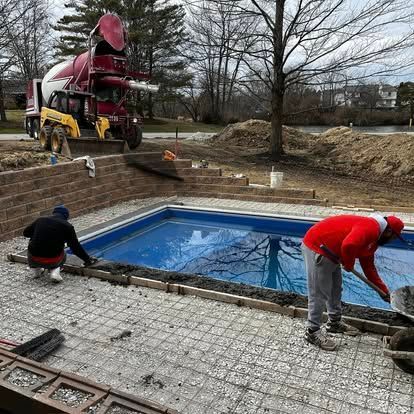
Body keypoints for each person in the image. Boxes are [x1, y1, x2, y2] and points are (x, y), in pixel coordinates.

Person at [302, 214, 404, 351]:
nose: (392, 240)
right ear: (389, 231)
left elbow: (369, 268)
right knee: (319, 292)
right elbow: (349, 244)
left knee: (335, 289)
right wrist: (349, 263)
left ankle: (334, 323)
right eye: (394, 237)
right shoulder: (371, 228)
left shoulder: (374, 240)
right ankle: (312, 331)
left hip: (333, 252)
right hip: (318, 246)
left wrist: (384, 292)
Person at [23, 205, 97, 283]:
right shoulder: (68, 226)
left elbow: (25, 233)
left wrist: (39, 234)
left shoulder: (40, 220)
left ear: (53, 213)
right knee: (63, 251)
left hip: (33, 258)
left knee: (31, 245)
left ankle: (36, 271)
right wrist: (87, 260)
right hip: (52, 260)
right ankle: (55, 271)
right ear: (66, 216)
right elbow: (75, 247)